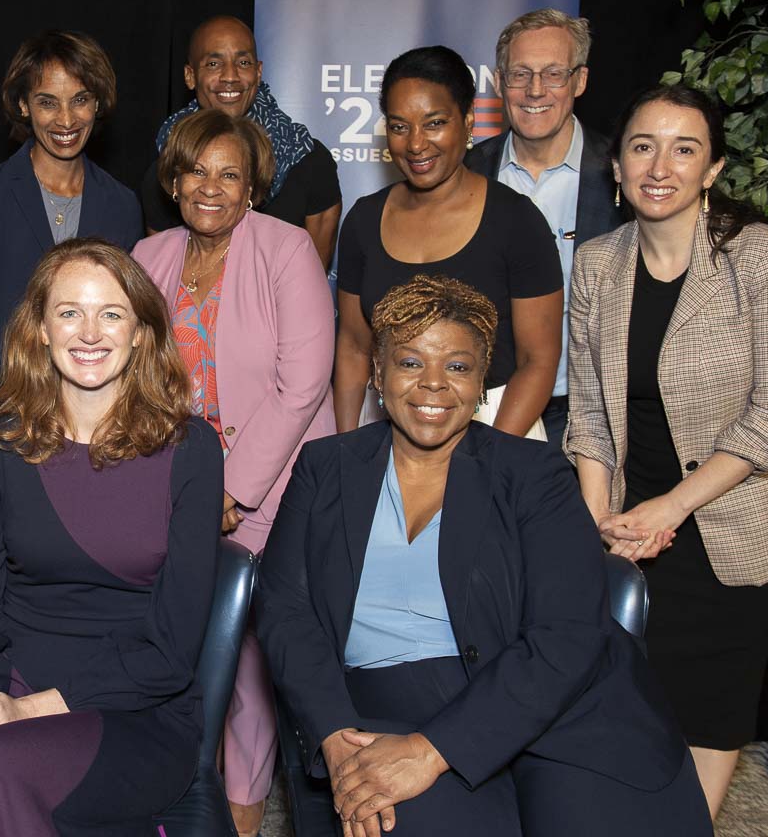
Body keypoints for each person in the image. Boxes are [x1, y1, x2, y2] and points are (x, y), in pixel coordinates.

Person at [257, 274, 711, 837]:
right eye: (409, 362)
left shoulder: (534, 474)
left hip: (552, 706)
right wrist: (335, 737)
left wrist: (432, 751)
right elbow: (284, 610)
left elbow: (567, 635)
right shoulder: (325, 468)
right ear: (377, 372)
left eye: (457, 366)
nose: (433, 385)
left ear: (480, 384)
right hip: (385, 707)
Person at [567, 83, 768, 819]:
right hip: (631, 514)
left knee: (705, 708)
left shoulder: (762, 258)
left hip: (737, 519)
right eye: (642, 146)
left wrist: (670, 509)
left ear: (713, 169)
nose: (661, 165)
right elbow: (589, 409)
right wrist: (600, 527)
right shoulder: (597, 263)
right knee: (625, 692)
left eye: (685, 148)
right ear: (615, 166)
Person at [0, 239, 223, 836]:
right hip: (13, 684)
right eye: (69, 312)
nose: (90, 333)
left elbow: (173, 651)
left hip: (139, 713)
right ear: (39, 327)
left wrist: (24, 712)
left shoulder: (191, 450)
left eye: (111, 313)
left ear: (141, 331)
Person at [133, 108, 336, 836]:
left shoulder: (286, 250)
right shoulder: (148, 255)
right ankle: (173, 803)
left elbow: (303, 383)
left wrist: (232, 491)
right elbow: (132, 381)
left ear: (252, 186)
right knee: (172, 654)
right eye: (196, 171)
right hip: (169, 491)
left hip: (272, 492)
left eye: (229, 173)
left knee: (249, 666)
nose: (210, 187)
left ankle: (243, 824)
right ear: (174, 179)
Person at [0, 30, 142, 512]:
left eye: (80, 100)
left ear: (98, 104)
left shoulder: (122, 205)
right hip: (2, 431)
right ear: (24, 107)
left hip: (98, 435)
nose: (66, 120)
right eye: (48, 102)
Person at [333, 45, 562, 440]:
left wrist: (489, 457)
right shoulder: (363, 220)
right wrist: (346, 448)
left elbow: (538, 360)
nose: (416, 144)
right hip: (390, 427)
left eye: (434, 123)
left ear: (468, 120)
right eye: (400, 126)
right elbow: (354, 348)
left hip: (498, 425)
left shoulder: (517, 221)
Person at [467, 9, 626, 446]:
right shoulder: (467, 173)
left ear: (580, 80)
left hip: (591, 416)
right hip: (484, 408)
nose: (535, 90)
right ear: (499, 83)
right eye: (521, 74)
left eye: (554, 73)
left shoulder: (624, 177)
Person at [139, 15, 343, 268]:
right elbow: (161, 278)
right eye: (213, 63)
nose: (230, 76)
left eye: (243, 62)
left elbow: (312, 280)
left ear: (258, 72)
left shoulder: (310, 162)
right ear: (190, 75)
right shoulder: (168, 165)